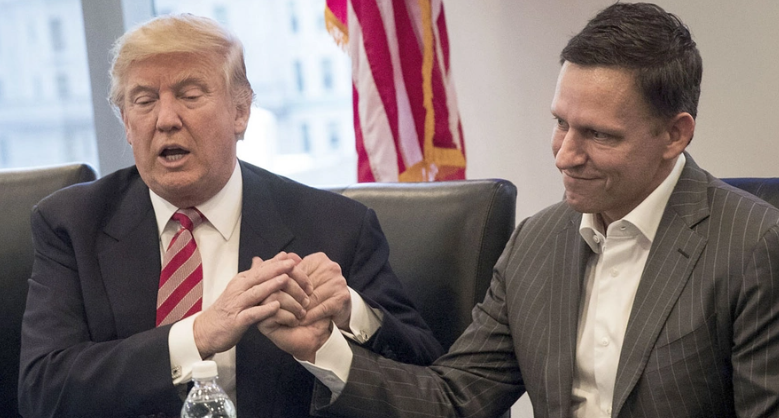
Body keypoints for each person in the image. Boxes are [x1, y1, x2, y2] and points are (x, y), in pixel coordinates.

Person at [259, 3, 779, 417]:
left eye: (598, 135)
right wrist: (322, 347)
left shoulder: (755, 245)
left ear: (675, 134)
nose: (564, 154)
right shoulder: (537, 241)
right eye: (561, 123)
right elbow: (454, 400)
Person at [17, 14, 443, 418]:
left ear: (240, 112)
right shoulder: (72, 223)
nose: (166, 119)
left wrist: (349, 313)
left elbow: (428, 380)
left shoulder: (336, 227)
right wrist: (198, 335)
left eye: (189, 95)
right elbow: (42, 392)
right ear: (127, 124)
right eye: (144, 101)